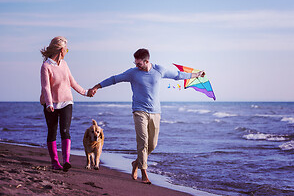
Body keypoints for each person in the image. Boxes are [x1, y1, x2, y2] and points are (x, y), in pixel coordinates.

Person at [89, 48, 204, 184]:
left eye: (139, 64)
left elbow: (178, 75)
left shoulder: (159, 70)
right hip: (139, 111)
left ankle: (136, 163)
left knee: (153, 144)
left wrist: (196, 74)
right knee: (143, 142)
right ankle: (144, 173)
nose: (136, 66)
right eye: (135, 63)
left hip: (156, 112)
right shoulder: (132, 73)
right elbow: (115, 79)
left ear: (147, 61)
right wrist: (97, 86)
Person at [40, 36, 92, 171]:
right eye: (66, 50)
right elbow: (46, 87)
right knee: (52, 132)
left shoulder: (64, 64)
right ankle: (55, 162)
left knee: (65, 131)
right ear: (61, 50)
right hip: (50, 104)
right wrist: (49, 104)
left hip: (66, 102)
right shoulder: (46, 66)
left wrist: (86, 92)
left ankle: (66, 161)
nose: (67, 52)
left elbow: (72, 82)